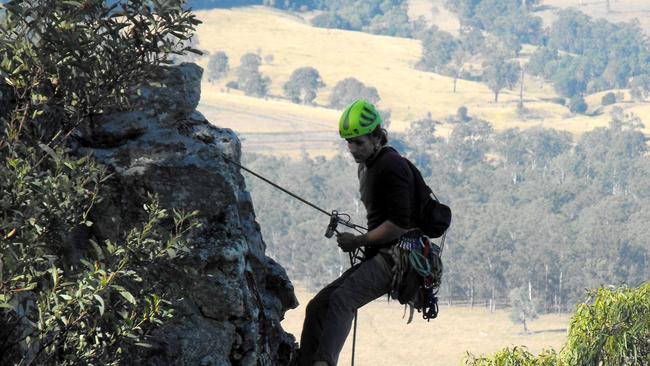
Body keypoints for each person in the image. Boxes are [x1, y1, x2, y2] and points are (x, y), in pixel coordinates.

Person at [296, 99, 416, 366]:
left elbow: (399, 224)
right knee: (317, 307)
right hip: (381, 252)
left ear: (376, 137)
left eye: (359, 142)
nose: (352, 149)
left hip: (399, 257)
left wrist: (358, 240)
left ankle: (323, 363)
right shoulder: (369, 165)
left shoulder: (392, 166)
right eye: (348, 142)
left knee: (342, 299)